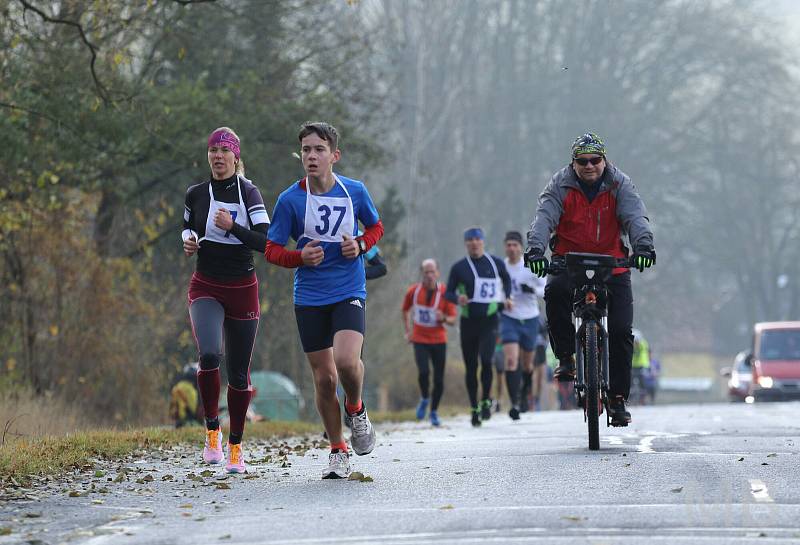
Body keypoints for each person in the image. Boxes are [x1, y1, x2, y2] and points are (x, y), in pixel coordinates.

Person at [264, 121, 383, 479]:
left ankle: (357, 410)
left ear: (335, 155)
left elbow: (376, 228)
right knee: (324, 379)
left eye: (319, 149)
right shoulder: (290, 199)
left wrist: (360, 245)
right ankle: (337, 449)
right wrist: (299, 258)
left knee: (347, 363)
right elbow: (271, 249)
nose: (311, 156)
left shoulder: (355, 192)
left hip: (348, 289)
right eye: (306, 150)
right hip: (310, 296)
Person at [525, 132, 655, 426]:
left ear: (604, 160)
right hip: (568, 259)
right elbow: (544, 218)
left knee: (622, 330)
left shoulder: (620, 184)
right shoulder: (559, 185)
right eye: (582, 161)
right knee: (555, 292)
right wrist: (535, 250)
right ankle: (567, 358)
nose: (589, 166)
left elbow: (635, 216)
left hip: (613, 263)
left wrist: (643, 247)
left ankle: (618, 398)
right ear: (573, 163)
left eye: (595, 160)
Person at [182, 127, 269, 473]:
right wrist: (188, 241)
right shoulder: (196, 193)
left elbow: (264, 242)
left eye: (224, 150)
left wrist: (233, 226)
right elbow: (187, 227)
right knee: (208, 353)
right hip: (205, 284)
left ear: (235, 156)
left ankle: (236, 446)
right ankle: (212, 431)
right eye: (213, 150)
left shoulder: (249, 193)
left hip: (242, 289)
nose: (217, 156)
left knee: (238, 374)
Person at [445, 227, 512, 427]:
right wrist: (458, 298)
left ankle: (485, 400)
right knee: (471, 365)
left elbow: (506, 279)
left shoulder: (496, 263)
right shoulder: (459, 268)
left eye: (477, 239)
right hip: (469, 322)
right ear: (466, 243)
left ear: (482, 241)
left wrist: (507, 297)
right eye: (470, 240)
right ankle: (474, 406)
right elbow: (448, 293)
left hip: (490, 320)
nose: (474, 243)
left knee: (487, 359)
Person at [401, 259, 457, 427]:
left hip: (439, 340)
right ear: (422, 274)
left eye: (432, 272)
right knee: (424, 372)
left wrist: (445, 318)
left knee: (439, 379)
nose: (430, 275)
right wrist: (408, 331)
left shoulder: (445, 293)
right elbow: (405, 309)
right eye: (426, 272)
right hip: (420, 339)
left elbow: (454, 319)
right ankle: (425, 397)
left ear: (438, 273)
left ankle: (433, 411)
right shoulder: (413, 291)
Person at [500, 231, 545, 420]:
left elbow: (545, 289)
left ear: (521, 247)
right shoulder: (500, 267)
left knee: (527, 364)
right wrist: (502, 300)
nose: (511, 248)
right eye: (508, 245)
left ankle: (525, 394)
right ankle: (515, 403)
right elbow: (494, 288)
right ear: (505, 247)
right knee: (511, 361)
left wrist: (532, 289)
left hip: (530, 317)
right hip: (509, 317)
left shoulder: (530, 266)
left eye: (515, 245)